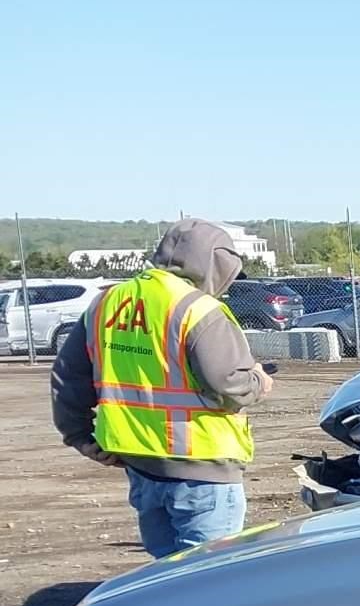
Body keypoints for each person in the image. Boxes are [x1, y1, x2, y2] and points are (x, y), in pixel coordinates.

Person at [51, 218, 273, 558]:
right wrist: (258, 380)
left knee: (166, 579)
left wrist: (80, 437)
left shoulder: (106, 303)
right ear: (216, 263)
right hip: (203, 468)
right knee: (208, 580)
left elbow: (68, 377)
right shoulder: (199, 310)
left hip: (141, 466)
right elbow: (229, 385)